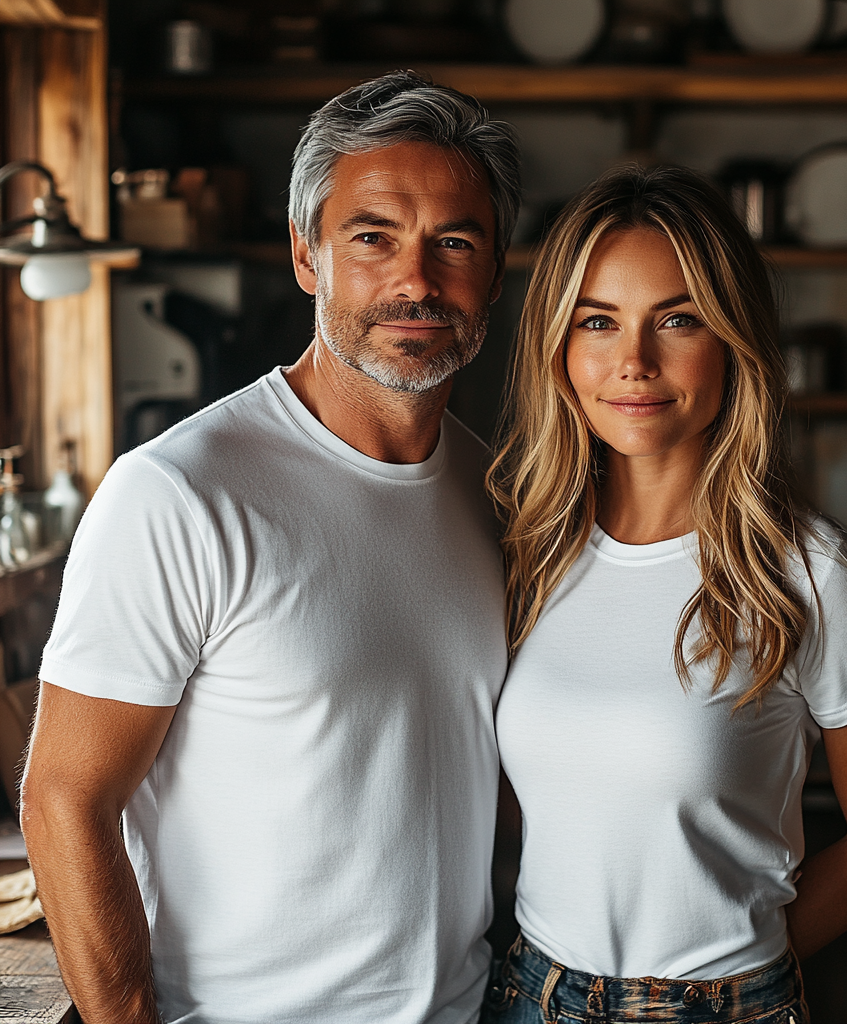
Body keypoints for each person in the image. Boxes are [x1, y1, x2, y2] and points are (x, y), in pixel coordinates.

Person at [20, 71, 521, 1024]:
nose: (416, 279)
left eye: (454, 242)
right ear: (307, 256)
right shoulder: (178, 493)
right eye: (371, 237)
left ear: (493, 272)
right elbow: (63, 802)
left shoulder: (493, 491)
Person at [482, 165, 847, 1024]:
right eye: (598, 322)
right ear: (558, 347)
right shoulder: (527, 551)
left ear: (732, 339)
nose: (633, 363)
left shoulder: (808, 572)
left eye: (678, 320)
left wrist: (732, 989)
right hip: (526, 993)